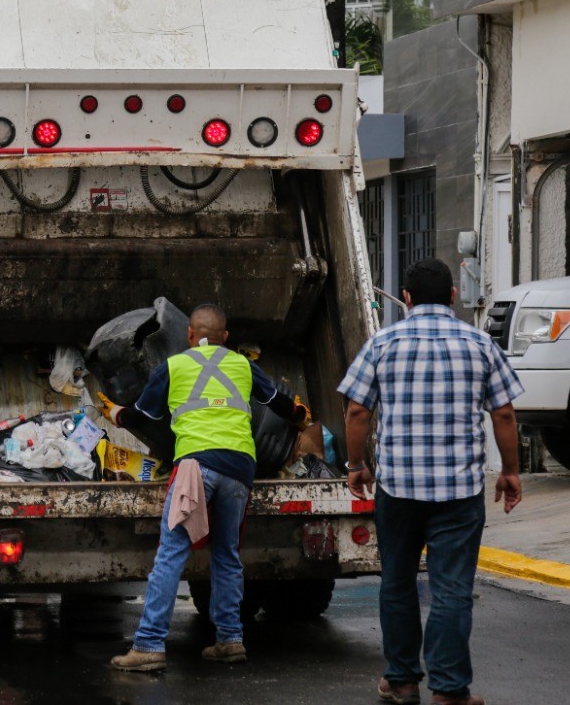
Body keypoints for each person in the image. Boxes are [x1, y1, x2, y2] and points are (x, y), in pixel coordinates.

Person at [338, 258, 523, 705]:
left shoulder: (383, 342)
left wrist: (355, 464)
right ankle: (449, 690)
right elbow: (503, 413)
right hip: (458, 493)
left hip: (398, 489)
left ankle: (401, 680)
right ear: (454, 297)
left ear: (406, 298)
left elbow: (358, 410)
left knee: (397, 583)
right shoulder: (479, 343)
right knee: (452, 590)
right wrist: (511, 471)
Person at [103, 303, 310, 672]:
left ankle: (149, 645)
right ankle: (229, 641)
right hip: (240, 468)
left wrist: (115, 412)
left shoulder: (175, 365)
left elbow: (142, 415)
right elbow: (281, 404)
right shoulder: (244, 365)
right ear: (226, 338)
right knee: (227, 555)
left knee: (171, 555)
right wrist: (299, 414)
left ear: (188, 335)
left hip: (196, 465)